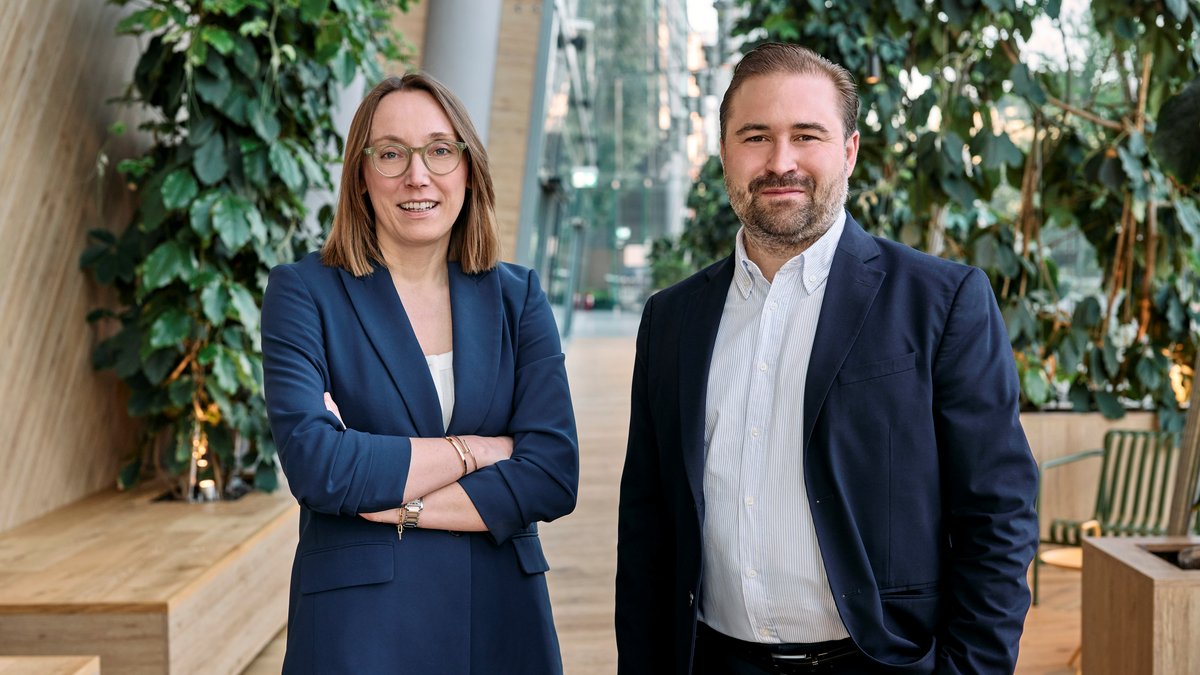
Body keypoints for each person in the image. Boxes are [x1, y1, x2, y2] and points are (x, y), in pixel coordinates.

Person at [615, 42, 1038, 674]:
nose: (780, 161)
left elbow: (997, 513)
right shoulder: (670, 321)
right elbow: (647, 525)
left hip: (883, 662)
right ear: (725, 152)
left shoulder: (942, 302)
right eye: (755, 137)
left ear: (849, 151)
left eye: (807, 135)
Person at [261, 72, 579, 674]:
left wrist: (395, 502)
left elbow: (552, 475)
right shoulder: (304, 293)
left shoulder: (518, 298)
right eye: (390, 154)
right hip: (361, 628)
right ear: (361, 175)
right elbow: (320, 467)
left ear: (468, 169)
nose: (417, 176)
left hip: (500, 618)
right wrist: (479, 451)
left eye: (439, 150)